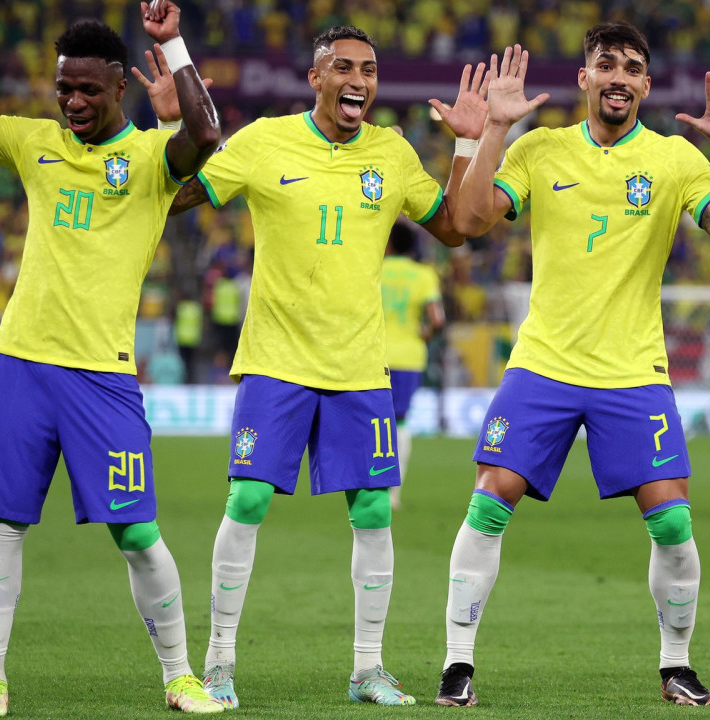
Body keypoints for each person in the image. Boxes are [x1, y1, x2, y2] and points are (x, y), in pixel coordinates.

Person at [150, 25, 482, 708]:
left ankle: (367, 670)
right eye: (344, 67)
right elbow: (174, 200)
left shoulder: (391, 152)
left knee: (371, 513)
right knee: (247, 499)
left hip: (361, 366)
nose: (359, 79)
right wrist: (167, 139)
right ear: (316, 78)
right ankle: (218, 664)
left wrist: (469, 146)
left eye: (369, 69)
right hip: (275, 359)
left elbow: (451, 226)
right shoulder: (264, 141)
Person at [0, 0, 224, 715]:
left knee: (139, 533)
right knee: (2, 522)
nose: (73, 101)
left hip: (103, 374)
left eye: (88, 89)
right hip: (21, 362)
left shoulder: (151, 159)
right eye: (63, 88)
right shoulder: (32, 142)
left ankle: (179, 677)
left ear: (121, 89)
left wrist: (173, 45)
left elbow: (204, 134)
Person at [436, 24, 710, 707]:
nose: (619, 75)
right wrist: (491, 127)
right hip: (544, 363)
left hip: (634, 370)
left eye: (633, 67)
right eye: (605, 64)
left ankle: (676, 664)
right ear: (584, 78)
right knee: (492, 496)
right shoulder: (541, 149)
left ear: (645, 85)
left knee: (672, 520)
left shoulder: (673, 160)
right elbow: (466, 220)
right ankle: (457, 662)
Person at [380, 222, 445, 510]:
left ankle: (367, 484)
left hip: (373, 354)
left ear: (389, 244)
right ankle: (393, 493)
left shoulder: (373, 269)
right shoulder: (424, 275)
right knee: (400, 421)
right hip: (408, 356)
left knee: (372, 421)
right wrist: (425, 334)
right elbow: (437, 319)